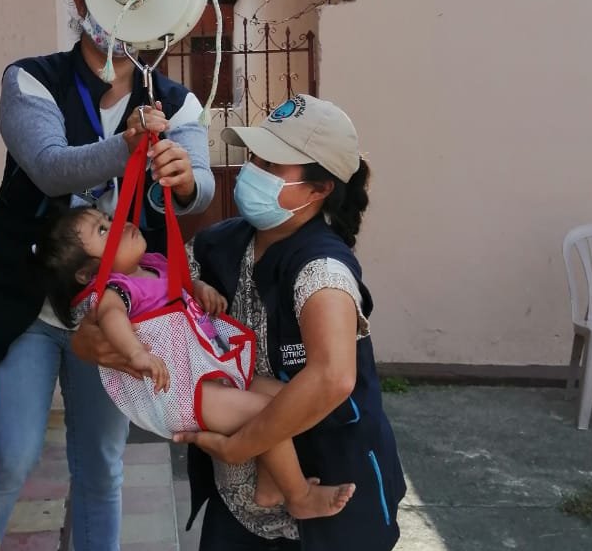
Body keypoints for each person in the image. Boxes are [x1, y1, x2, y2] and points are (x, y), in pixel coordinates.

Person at [74, 93, 460, 551]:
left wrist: (244, 443)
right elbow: (122, 306)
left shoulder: (322, 270)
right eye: (251, 155)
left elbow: (332, 379)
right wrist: (96, 343)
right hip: (247, 497)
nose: (250, 170)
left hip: (331, 498)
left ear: (317, 189)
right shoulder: (221, 246)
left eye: (271, 163)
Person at [0, 0, 214, 551]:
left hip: (115, 312)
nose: (129, 10)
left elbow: (201, 188)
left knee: (102, 461)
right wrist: (129, 145)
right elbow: (51, 166)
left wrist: (182, 178)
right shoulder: (30, 80)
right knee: (10, 455)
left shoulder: (175, 101)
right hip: (28, 302)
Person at [32, 202, 355, 519]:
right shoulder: (113, 290)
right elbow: (112, 317)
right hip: (181, 391)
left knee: (287, 400)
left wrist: (199, 288)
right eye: (103, 231)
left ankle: (270, 485)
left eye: (108, 217)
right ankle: (299, 496)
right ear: (87, 273)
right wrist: (137, 354)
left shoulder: (153, 264)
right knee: (267, 413)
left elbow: (180, 285)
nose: (118, 224)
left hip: (206, 368)